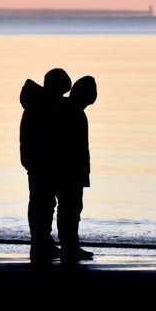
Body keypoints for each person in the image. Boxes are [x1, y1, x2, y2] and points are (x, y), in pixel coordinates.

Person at [20, 68, 71, 263]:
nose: (62, 95)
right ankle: (41, 241)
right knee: (42, 203)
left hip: (38, 162)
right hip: (41, 163)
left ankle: (42, 241)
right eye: (62, 91)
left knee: (43, 203)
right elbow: (40, 137)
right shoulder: (41, 106)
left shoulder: (39, 103)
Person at [56, 75, 97, 263]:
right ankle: (69, 246)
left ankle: (70, 245)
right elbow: (75, 148)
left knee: (71, 209)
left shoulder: (72, 111)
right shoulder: (73, 113)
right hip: (69, 171)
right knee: (69, 210)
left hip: (71, 170)